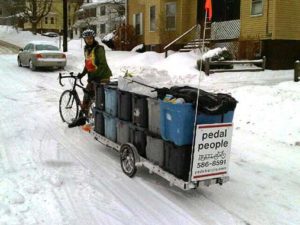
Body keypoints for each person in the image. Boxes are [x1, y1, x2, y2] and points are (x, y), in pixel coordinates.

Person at [69, 29, 112, 128]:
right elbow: (88, 63)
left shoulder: (99, 49)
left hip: (103, 76)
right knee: (88, 95)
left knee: (99, 98)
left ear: (93, 38)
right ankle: (83, 117)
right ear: (84, 39)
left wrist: (94, 77)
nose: (89, 40)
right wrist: (82, 74)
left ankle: (98, 119)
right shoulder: (86, 49)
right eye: (87, 38)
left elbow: (102, 64)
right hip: (94, 77)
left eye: (90, 38)